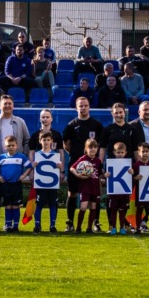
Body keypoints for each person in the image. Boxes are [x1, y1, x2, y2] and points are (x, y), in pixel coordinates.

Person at [61, 96, 103, 232]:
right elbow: (66, 144)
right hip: (75, 163)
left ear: (89, 106)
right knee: (72, 193)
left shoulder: (96, 125)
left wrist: (95, 160)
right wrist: (78, 158)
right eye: (81, 106)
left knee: (94, 195)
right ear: (76, 108)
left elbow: (101, 145)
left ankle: (95, 223)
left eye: (85, 105)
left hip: (93, 166)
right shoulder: (71, 125)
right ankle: (70, 223)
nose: (83, 108)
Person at [0, 135, 32, 232]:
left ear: (17, 146)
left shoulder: (21, 157)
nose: (11, 147)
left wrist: (23, 176)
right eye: (8, 145)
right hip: (5, 185)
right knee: (7, 205)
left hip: (16, 185)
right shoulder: (1, 157)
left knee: (15, 206)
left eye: (13, 145)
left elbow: (29, 167)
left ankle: (15, 226)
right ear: (5, 147)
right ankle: (8, 225)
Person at [69, 138, 104, 233]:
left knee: (93, 207)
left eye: (95, 147)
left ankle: (89, 228)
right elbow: (72, 168)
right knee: (83, 207)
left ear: (97, 149)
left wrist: (105, 175)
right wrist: (78, 175)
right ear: (86, 149)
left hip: (95, 187)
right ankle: (78, 228)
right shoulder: (83, 159)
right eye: (90, 147)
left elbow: (100, 174)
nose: (93, 149)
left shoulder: (98, 161)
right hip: (85, 187)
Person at [32, 131, 63, 233]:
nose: (46, 142)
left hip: (52, 184)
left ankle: (52, 225)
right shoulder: (37, 155)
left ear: (52, 141)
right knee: (39, 204)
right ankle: (37, 225)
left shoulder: (55, 155)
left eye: (48, 140)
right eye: (44, 140)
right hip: (40, 184)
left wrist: (60, 167)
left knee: (53, 204)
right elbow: (32, 168)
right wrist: (33, 165)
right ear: (40, 141)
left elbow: (61, 168)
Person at [104, 141, 133, 235]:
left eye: (122, 152)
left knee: (122, 209)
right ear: (114, 152)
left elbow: (132, 174)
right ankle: (113, 227)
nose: (120, 154)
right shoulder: (110, 162)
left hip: (123, 192)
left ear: (125, 153)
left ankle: (122, 227)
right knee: (113, 209)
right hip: (113, 191)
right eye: (118, 152)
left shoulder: (128, 163)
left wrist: (131, 172)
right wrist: (106, 175)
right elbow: (105, 174)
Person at [131, 142, 149, 234]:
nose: (145, 153)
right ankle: (137, 227)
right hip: (140, 191)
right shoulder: (136, 165)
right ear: (139, 153)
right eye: (143, 151)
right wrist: (135, 178)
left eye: (146, 151)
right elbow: (132, 178)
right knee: (139, 209)